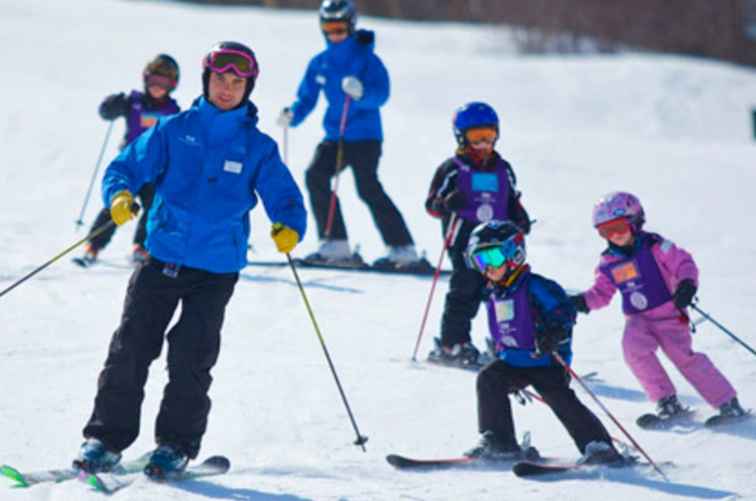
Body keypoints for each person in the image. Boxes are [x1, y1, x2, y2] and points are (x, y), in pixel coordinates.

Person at [73, 41, 307, 478]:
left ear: (248, 88)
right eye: (221, 78)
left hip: (216, 269)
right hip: (162, 256)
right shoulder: (173, 129)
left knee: (191, 358)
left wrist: (289, 225)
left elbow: (286, 197)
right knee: (131, 349)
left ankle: (175, 445)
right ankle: (105, 438)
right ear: (206, 79)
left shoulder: (257, 146)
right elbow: (123, 168)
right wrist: (121, 195)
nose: (227, 88)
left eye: (238, 82)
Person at [570, 192, 745, 423]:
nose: (614, 236)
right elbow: (601, 293)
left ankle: (727, 402)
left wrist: (686, 284)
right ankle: (666, 401)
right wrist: (580, 302)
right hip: (638, 319)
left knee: (684, 358)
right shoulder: (609, 262)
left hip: (670, 315)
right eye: (606, 231)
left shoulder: (656, 246)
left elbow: (684, 263)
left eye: (619, 228)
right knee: (634, 351)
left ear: (635, 222)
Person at [463, 220, 621, 464]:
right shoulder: (495, 293)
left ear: (513, 253)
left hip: (545, 359)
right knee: (489, 379)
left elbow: (565, 311)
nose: (488, 268)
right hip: (513, 361)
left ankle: (598, 446)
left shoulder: (535, 285)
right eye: (480, 261)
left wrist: (553, 331)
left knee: (560, 398)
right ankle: (500, 441)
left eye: (492, 258)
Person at [278, 0, 421, 269]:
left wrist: (362, 94)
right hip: (335, 135)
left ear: (351, 26)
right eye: (329, 28)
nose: (334, 34)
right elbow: (306, 97)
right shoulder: (320, 63)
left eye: (340, 28)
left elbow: (382, 94)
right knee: (315, 176)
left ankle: (403, 248)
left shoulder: (366, 59)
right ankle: (335, 244)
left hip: (366, 136)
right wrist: (293, 115)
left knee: (367, 186)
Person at [424, 102, 530, 367]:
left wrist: (520, 217)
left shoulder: (502, 168)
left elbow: (511, 198)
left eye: (489, 136)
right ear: (461, 137)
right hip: (463, 242)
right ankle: (453, 343)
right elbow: (432, 204)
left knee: (502, 293)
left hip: (498, 244)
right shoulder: (452, 168)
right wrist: (448, 202)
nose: (483, 143)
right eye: (476, 137)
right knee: (465, 289)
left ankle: (508, 342)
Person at [78, 54, 181, 266]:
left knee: (153, 208)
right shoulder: (132, 102)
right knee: (117, 205)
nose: (157, 87)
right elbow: (106, 113)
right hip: (130, 168)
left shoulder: (173, 111)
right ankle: (93, 245)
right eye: (154, 81)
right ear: (146, 79)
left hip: (155, 170)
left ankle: (141, 247)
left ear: (172, 85)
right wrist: (110, 106)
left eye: (164, 83)